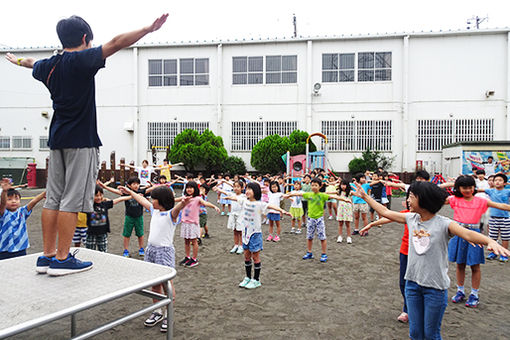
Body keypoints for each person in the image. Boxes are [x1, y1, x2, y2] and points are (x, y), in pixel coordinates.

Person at [5, 14, 168, 274]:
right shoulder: (82, 60)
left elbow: (31, 62)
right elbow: (116, 43)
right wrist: (149, 29)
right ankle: (62, 258)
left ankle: (47, 256)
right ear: (84, 39)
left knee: (53, 199)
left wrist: (17, 61)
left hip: (56, 140)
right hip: (81, 141)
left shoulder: (48, 66)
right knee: (71, 200)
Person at [352, 180, 510, 340]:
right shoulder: (411, 218)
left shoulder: (444, 224)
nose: (408, 200)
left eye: (412, 196)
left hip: (434, 288)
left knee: (431, 334)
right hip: (412, 285)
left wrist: (490, 241)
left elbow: (468, 234)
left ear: (424, 199)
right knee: (415, 333)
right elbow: (385, 212)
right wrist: (365, 196)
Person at [118, 184, 189, 333]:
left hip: (164, 251)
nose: (151, 200)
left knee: (166, 284)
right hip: (151, 250)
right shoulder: (153, 210)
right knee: (154, 284)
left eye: (154, 198)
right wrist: (130, 192)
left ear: (161, 200)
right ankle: (157, 311)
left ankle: (168, 314)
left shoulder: (170, 214)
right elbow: (141, 199)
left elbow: (177, 210)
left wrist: (183, 203)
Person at [446, 175, 510, 308]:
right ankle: (460, 291)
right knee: (460, 264)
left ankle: (474, 294)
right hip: (458, 234)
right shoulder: (454, 199)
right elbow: (433, 202)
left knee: (475, 266)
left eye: (470, 187)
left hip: (475, 235)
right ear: (458, 188)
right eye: (464, 187)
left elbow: (501, 205)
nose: (468, 190)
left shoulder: (481, 201)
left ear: (474, 188)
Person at [229, 182, 291, 289]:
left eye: (250, 189)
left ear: (256, 192)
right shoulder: (244, 201)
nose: (247, 191)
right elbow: (235, 198)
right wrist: (226, 195)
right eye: (247, 189)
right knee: (246, 256)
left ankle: (256, 280)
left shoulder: (259, 204)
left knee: (255, 256)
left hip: (255, 234)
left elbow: (270, 205)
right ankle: (248, 277)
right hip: (245, 233)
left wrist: (281, 210)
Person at [360, 197, 411, 323]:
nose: (409, 200)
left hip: (422, 256)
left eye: (412, 197)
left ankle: (417, 310)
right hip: (405, 252)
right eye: (409, 197)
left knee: (418, 284)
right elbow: (388, 216)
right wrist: (371, 224)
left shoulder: (431, 218)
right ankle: (407, 309)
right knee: (403, 283)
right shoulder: (407, 214)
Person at [286, 178, 342, 263]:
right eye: (312, 185)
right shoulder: (309, 194)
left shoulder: (322, 195)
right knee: (309, 237)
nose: (314, 187)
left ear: (320, 186)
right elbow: (298, 193)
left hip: (319, 219)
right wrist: (288, 195)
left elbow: (333, 196)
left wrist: (345, 199)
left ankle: (324, 254)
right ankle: (309, 252)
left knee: (322, 237)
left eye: (316, 185)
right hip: (310, 219)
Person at [98, 177, 151, 257]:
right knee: (126, 234)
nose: (136, 185)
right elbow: (114, 191)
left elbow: (151, 190)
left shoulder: (141, 191)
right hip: (129, 217)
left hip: (139, 217)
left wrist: (155, 185)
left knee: (140, 234)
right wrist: (104, 186)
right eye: (134, 184)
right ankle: (126, 250)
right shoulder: (126, 192)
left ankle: (141, 248)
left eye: (137, 183)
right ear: (129, 185)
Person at [0, 179, 46, 261]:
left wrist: (44, 193)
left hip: (21, 248)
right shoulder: (3, 213)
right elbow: (2, 204)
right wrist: (4, 191)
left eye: (16, 199)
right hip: (4, 249)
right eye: (9, 199)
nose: (13, 201)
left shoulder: (22, 212)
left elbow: (33, 202)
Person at [178, 181, 220, 267]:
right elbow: (175, 199)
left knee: (193, 241)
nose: (189, 189)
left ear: (195, 189)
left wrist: (214, 206)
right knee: (186, 241)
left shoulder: (198, 198)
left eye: (191, 187)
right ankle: (187, 257)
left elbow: (206, 203)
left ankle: (194, 258)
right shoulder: (185, 197)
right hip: (185, 222)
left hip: (193, 223)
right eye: (188, 187)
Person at [86, 185, 129, 252]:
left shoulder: (105, 204)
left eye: (101, 195)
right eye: (96, 195)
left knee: (103, 252)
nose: (99, 197)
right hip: (91, 233)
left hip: (103, 232)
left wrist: (133, 196)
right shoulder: (88, 205)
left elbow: (119, 199)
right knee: (90, 252)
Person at [482, 173, 510, 262]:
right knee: (492, 237)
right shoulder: (490, 191)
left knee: (505, 237)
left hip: (505, 218)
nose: (497, 182)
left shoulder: (507, 191)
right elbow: (478, 190)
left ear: (505, 183)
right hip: (492, 218)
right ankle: (494, 252)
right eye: (496, 180)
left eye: (500, 180)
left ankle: (504, 254)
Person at [215, 181, 245, 254]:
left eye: (238, 187)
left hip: (241, 216)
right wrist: (218, 189)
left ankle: (241, 246)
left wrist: (231, 198)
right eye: (234, 187)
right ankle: (236, 245)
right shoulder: (232, 194)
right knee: (235, 231)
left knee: (240, 231)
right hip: (233, 215)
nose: (236, 188)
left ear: (242, 188)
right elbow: (225, 192)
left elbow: (237, 199)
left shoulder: (244, 196)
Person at [335, 180, 353, 244]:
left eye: (344, 185)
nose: (343, 186)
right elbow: (331, 192)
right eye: (342, 185)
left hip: (348, 209)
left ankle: (349, 237)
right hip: (341, 208)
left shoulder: (350, 192)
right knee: (340, 223)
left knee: (348, 224)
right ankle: (340, 236)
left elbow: (357, 193)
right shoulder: (339, 192)